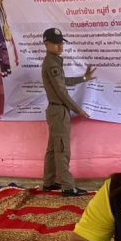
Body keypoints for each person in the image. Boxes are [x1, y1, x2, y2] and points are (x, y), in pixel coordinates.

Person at [41, 27, 95, 196]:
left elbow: (63, 81)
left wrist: (84, 78)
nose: (60, 47)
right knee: (62, 149)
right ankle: (68, 186)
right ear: (46, 44)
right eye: (55, 43)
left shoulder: (53, 62)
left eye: (61, 43)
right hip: (59, 110)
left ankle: (49, 182)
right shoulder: (52, 63)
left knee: (53, 148)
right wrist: (78, 110)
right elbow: (61, 92)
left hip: (55, 110)